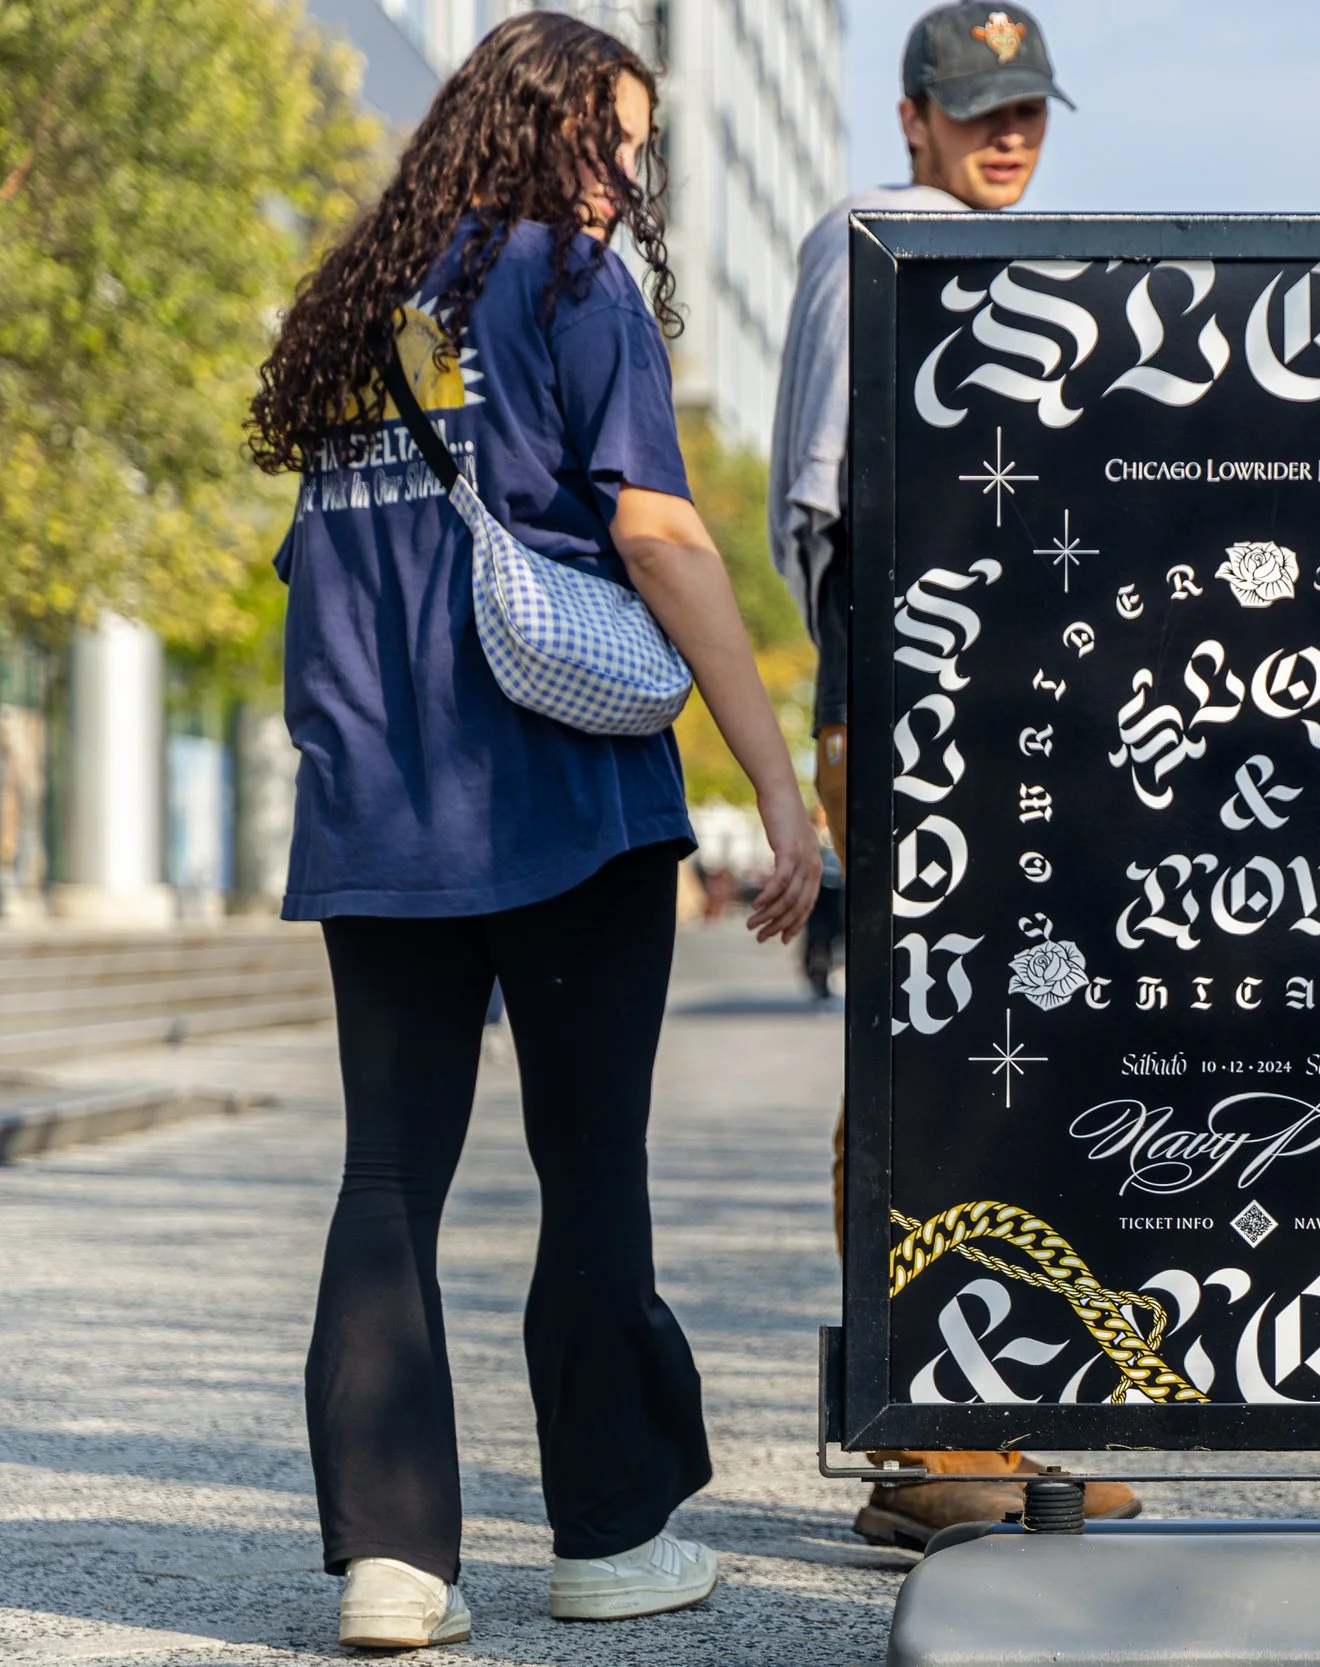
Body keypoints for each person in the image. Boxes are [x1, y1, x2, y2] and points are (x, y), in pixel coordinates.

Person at [246, 14, 820, 1649]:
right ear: (538, 131)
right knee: (590, 1169)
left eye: (636, 152)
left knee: (386, 1175)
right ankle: (611, 1534)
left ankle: (392, 1561)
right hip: (565, 802)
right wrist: (776, 788)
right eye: (608, 141)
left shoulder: (358, 305)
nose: (623, 179)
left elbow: (317, 565)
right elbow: (660, 535)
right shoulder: (574, 290)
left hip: (379, 807)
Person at [769, 1, 1138, 1549]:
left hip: (1009, 715)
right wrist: (867, 703)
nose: (1009, 132)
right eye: (980, 107)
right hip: (920, 704)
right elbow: (816, 502)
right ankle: (926, 1429)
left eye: (1029, 107)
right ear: (911, 114)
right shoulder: (874, 240)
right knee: (929, 1038)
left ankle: (999, 1406)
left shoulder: (1010, 271)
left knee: (1010, 1035)